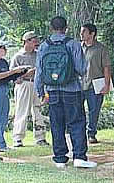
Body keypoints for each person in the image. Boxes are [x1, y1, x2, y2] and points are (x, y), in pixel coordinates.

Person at [34, 16, 97, 168]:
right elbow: (81, 69)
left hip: (52, 91)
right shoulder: (73, 44)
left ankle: (60, 158)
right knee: (76, 122)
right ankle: (79, 157)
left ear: (51, 28)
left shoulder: (44, 46)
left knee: (57, 124)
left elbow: (39, 71)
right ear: (66, 28)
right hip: (72, 90)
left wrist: (40, 92)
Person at [0, 41, 26, 152]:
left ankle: (0, 144)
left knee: (3, 117)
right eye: (3, 48)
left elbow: (7, 76)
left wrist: (17, 76)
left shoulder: (3, 62)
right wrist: (12, 72)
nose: (5, 50)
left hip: (4, 89)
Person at [10, 31, 49, 147]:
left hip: (37, 85)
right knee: (22, 111)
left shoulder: (38, 55)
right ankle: (18, 138)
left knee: (38, 111)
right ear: (26, 41)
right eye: (33, 40)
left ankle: (40, 137)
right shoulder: (18, 57)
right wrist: (27, 74)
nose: (36, 42)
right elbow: (12, 76)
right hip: (24, 85)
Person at [80, 23, 111, 144]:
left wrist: (107, 85)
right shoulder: (78, 47)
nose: (81, 34)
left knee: (94, 110)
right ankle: (79, 133)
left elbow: (107, 67)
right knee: (78, 110)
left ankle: (91, 134)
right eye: (81, 32)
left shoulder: (101, 49)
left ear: (92, 34)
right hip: (80, 83)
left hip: (95, 84)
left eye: (84, 32)